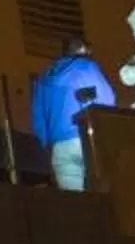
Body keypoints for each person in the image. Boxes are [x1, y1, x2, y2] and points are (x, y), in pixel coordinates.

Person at [29, 36, 115, 191]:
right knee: (102, 197)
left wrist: (47, 144)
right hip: (88, 138)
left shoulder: (43, 79)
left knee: (75, 200)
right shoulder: (87, 67)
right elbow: (107, 100)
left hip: (60, 146)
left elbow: (38, 120)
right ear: (82, 49)